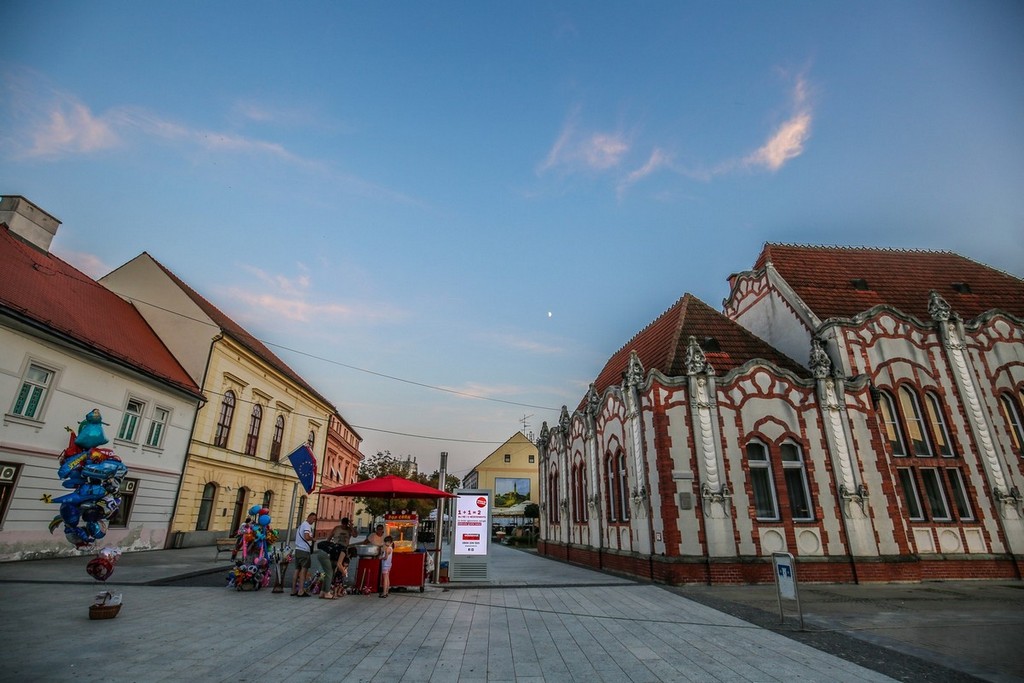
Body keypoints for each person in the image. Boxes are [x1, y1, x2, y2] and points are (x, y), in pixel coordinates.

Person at [292, 512, 317, 597]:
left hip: (298, 549)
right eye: (313, 519)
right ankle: (301, 590)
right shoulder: (307, 525)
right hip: (304, 550)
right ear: (309, 517)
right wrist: (313, 539)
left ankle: (293, 590)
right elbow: (306, 537)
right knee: (304, 570)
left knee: (297, 569)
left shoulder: (301, 525)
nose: (314, 521)